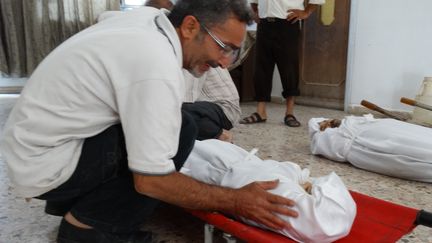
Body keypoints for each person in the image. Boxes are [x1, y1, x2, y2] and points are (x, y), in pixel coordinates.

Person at [0, 1, 299, 242]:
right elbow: (151, 180)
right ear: (190, 26)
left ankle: (74, 207)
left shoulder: (149, 21)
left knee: (178, 122)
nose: (224, 63)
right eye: (224, 47)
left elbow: (120, 13)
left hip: (32, 150)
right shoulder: (156, 64)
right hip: (48, 164)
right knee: (182, 131)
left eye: (233, 52)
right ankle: (89, 229)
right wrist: (236, 200)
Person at [181, 139, 356, 243]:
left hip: (221, 171)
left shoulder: (318, 218)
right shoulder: (305, 202)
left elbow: (295, 172)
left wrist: (307, 183)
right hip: (233, 164)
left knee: (183, 144)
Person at [240, 0, 325, 127]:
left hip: (288, 23)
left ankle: (289, 113)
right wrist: (255, 11)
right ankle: (260, 112)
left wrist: (306, 12)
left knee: (289, 68)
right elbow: (254, 1)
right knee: (261, 67)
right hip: (264, 24)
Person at [309, 114, 432, 182]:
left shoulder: (355, 123)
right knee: (405, 145)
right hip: (368, 136)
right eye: (325, 125)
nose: (328, 123)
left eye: (328, 121)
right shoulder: (345, 140)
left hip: (377, 128)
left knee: (411, 136)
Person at [182, 67, 241, 142]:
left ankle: (219, 134)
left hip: (224, 108)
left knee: (179, 113)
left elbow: (188, 97)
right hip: (207, 107)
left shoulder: (193, 59)